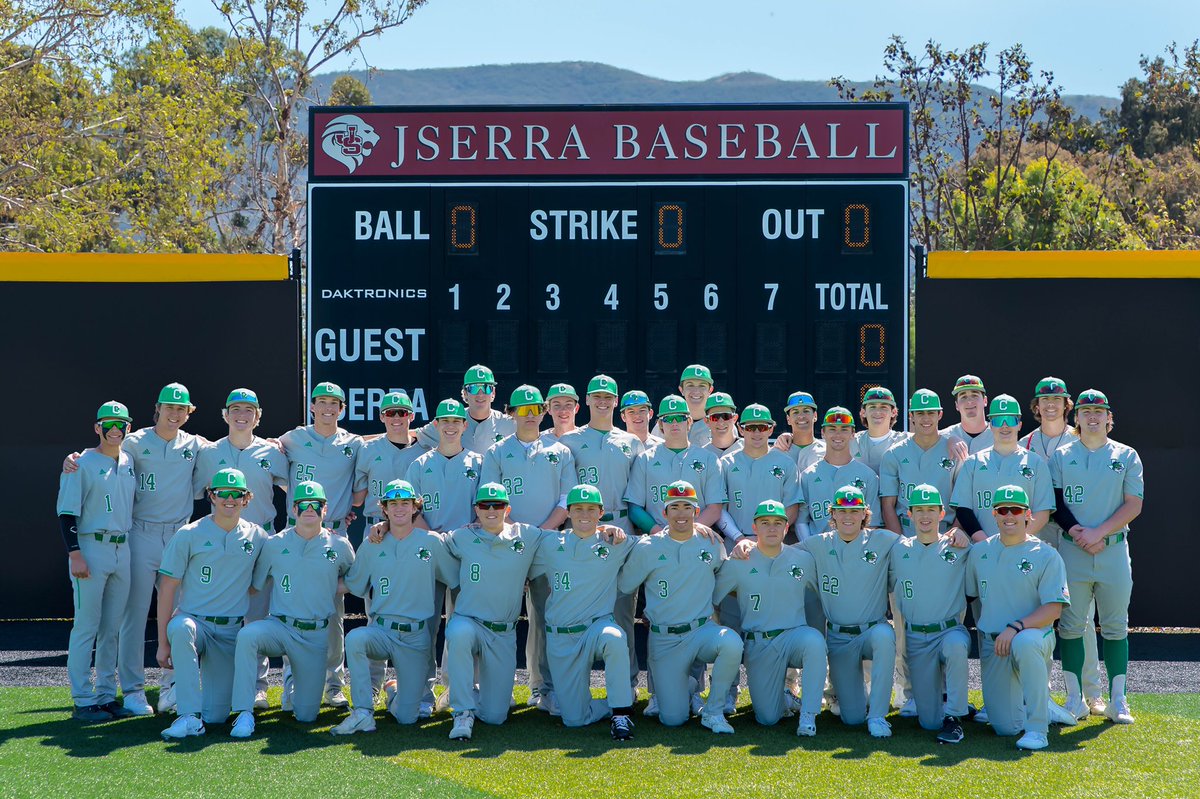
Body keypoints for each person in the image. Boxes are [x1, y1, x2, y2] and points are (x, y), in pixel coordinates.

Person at [228, 481, 355, 738]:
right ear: (293, 510)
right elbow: (255, 585)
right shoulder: (274, 544)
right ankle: (243, 711)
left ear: (325, 509)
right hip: (281, 627)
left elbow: (355, 581)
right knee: (248, 635)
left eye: (315, 505)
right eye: (303, 505)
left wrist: (328, 584)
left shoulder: (339, 545)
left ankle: (298, 688)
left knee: (307, 715)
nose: (309, 509)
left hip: (315, 634)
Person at [332, 480, 457, 734]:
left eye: (405, 503)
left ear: (415, 507)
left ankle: (392, 691)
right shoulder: (372, 543)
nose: (399, 508)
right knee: (356, 639)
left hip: (415, 637)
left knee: (406, 718)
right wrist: (310, 582)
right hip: (382, 631)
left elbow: (456, 579)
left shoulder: (432, 542)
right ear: (385, 509)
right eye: (393, 503)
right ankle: (363, 712)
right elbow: (352, 584)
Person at [617, 481, 743, 734]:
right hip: (665, 638)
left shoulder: (711, 542)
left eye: (687, 507)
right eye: (674, 507)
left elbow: (725, 576)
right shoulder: (648, 547)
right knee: (673, 719)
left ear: (696, 512)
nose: (681, 513)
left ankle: (713, 711)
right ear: (665, 513)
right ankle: (686, 686)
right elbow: (626, 585)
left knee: (731, 643)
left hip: (701, 631)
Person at [480, 384, 576, 713]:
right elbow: (489, 501)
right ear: (511, 413)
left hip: (547, 544)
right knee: (498, 619)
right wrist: (515, 533)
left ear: (544, 412)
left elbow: (567, 500)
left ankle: (543, 687)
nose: (530, 415)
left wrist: (540, 532)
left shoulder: (560, 451)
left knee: (546, 619)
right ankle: (498, 688)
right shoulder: (497, 452)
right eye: (523, 409)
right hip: (505, 544)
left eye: (536, 409)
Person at [1050, 389, 1143, 725]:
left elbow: (1133, 504)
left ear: (1108, 418)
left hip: (1113, 549)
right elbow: (1055, 503)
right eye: (1086, 411)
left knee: (1116, 626)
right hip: (1073, 549)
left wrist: (1098, 533)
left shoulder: (1127, 455)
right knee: (1072, 625)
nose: (1092, 417)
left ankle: (1118, 700)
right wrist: (1080, 533)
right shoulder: (1061, 456)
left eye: (1098, 411)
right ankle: (1075, 700)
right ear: (1076, 417)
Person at [193, 388, 288, 710]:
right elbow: (193, 491)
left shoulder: (272, 451)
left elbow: (292, 489)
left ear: (258, 416)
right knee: (223, 614)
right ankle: (219, 683)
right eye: (235, 409)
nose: (242, 415)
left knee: (256, 618)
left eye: (249, 410)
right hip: (221, 542)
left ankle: (257, 686)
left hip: (261, 540)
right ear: (225, 415)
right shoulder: (209, 452)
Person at [156, 468, 268, 739]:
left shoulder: (257, 536)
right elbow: (167, 588)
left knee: (216, 716)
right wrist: (162, 644)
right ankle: (187, 715)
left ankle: (186, 694)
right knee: (181, 628)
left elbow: (257, 584)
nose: (229, 499)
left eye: (236, 494)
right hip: (194, 621)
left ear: (246, 499)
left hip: (229, 631)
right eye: (223, 493)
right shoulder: (189, 534)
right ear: (212, 496)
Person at [1020, 377, 1104, 718]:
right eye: (1045, 400)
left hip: (1074, 534)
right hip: (1038, 533)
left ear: (1068, 405)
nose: (1051, 404)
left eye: (1057, 399)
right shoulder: (1025, 443)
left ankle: (1091, 693)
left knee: (1080, 614)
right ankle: (1036, 692)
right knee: (1036, 611)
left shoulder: (1082, 437)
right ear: (1036, 406)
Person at [278, 381, 366, 708]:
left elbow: (361, 491)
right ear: (312, 406)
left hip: (334, 532)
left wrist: (341, 512)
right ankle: (292, 682)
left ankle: (333, 684)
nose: (328, 408)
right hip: (296, 532)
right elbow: (277, 470)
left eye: (334, 403)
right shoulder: (292, 438)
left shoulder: (353, 444)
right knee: (291, 610)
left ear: (342, 408)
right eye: (322, 402)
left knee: (333, 614)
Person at [966, 484, 1071, 750]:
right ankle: (1037, 707)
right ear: (994, 515)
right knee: (1005, 728)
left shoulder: (1047, 555)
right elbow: (970, 596)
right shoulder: (979, 552)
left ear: (1028, 515)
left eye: (1016, 510)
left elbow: (1054, 609)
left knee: (1025, 642)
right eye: (1003, 510)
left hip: (1031, 637)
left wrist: (1016, 627)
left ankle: (1038, 728)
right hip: (995, 645)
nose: (1009, 515)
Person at [530, 485, 636, 739]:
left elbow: (660, 543)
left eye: (591, 509)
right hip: (562, 636)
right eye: (578, 509)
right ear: (568, 513)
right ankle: (608, 705)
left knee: (615, 637)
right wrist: (475, 528)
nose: (584, 514)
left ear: (601, 513)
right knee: (574, 720)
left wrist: (698, 529)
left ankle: (621, 714)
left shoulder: (615, 542)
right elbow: (510, 538)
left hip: (596, 628)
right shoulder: (549, 543)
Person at [714, 404, 802, 711]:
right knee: (731, 620)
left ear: (771, 429)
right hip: (736, 550)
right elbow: (720, 506)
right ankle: (727, 692)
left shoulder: (785, 463)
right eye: (750, 427)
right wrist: (740, 538)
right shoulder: (726, 462)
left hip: (774, 552)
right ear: (740, 429)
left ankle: (786, 687)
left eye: (762, 427)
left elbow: (792, 508)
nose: (756, 433)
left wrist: (766, 539)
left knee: (777, 619)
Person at [559, 376, 642, 696]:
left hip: (621, 528)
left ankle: (627, 684)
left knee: (623, 611)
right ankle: (573, 686)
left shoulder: (632, 441)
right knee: (577, 608)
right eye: (597, 396)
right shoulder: (570, 440)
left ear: (616, 401)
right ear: (587, 400)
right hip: (581, 528)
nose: (603, 401)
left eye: (608, 397)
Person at [713, 500, 826, 736]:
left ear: (787, 528)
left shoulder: (803, 559)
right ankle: (783, 697)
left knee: (815, 641)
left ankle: (808, 715)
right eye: (765, 523)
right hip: (760, 642)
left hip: (795, 636)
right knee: (767, 718)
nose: (772, 528)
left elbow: (822, 594)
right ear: (754, 527)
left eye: (778, 523)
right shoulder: (738, 561)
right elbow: (712, 596)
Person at [878, 389, 960, 716]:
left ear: (940, 414)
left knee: (948, 622)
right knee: (904, 623)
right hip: (907, 543)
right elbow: (888, 504)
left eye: (931, 412)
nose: (925, 419)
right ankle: (910, 692)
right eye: (919, 413)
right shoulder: (895, 453)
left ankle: (948, 693)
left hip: (946, 545)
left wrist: (957, 532)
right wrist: (900, 545)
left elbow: (963, 499)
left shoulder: (954, 448)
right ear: (910, 417)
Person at [442, 483, 545, 741]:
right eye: (484, 505)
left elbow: (568, 538)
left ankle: (467, 693)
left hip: (502, 631)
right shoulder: (461, 537)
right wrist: (385, 526)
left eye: (497, 505)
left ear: (507, 509)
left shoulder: (527, 535)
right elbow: (425, 542)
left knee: (495, 716)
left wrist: (602, 529)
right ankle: (462, 711)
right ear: (476, 509)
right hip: (470, 621)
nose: (491, 510)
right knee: (458, 632)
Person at [795, 485, 899, 737]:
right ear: (832, 513)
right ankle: (859, 696)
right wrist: (747, 545)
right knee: (852, 718)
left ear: (865, 513)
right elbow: (780, 552)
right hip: (839, 637)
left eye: (854, 511)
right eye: (842, 511)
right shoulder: (818, 543)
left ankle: (878, 716)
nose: (848, 517)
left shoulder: (883, 539)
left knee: (885, 636)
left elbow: (918, 545)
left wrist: (954, 535)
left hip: (872, 629)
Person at [57, 400, 137, 721]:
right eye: (108, 425)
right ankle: (82, 698)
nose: (114, 430)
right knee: (86, 625)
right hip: (91, 546)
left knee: (112, 628)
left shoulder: (129, 460)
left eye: (120, 425)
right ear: (97, 428)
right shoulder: (81, 462)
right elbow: (66, 512)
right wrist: (75, 553)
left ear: (128, 428)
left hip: (122, 547)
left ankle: (105, 695)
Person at [406, 398, 484, 714]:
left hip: (466, 552)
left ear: (465, 425)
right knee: (425, 625)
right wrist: (434, 538)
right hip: (428, 551)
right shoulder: (420, 464)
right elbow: (410, 510)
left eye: (456, 421)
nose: (450, 426)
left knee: (463, 625)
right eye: (445, 421)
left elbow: (485, 509)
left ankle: (459, 690)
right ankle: (423, 693)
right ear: (436, 425)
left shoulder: (479, 463)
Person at [888, 485, 970, 744]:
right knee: (929, 722)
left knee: (956, 646)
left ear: (942, 513)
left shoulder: (958, 547)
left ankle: (955, 715)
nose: (925, 515)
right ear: (909, 514)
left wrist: (961, 533)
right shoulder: (898, 550)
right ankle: (943, 708)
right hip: (916, 637)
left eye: (931, 510)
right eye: (919, 510)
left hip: (949, 630)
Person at [624, 395, 726, 535]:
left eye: (680, 418)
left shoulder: (709, 459)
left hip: (697, 536)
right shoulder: (645, 459)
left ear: (689, 422)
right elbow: (634, 508)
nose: (674, 423)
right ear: (660, 424)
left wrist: (690, 533)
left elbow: (715, 508)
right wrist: (660, 534)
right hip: (657, 537)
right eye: (668, 419)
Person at [417, 364, 516, 454]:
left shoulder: (509, 423)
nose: (480, 394)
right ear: (465, 393)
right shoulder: (452, 420)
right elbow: (417, 435)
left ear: (493, 393)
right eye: (474, 388)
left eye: (486, 388)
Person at [650, 365, 716, 446]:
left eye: (702, 386)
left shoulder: (719, 422)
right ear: (681, 390)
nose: (696, 391)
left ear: (710, 390)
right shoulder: (667, 421)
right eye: (690, 385)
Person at [851, 387, 907, 475]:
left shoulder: (905, 441)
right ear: (863, 412)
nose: (877, 412)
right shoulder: (852, 442)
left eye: (883, 407)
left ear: (893, 412)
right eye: (872, 407)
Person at [773, 391, 826, 473]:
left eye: (806, 411)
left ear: (815, 416)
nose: (801, 416)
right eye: (795, 412)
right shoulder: (777, 452)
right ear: (788, 419)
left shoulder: (827, 452)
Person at [941, 375, 994, 455]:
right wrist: (947, 440)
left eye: (974, 395)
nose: (969, 401)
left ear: (985, 401)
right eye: (963, 397)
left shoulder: (999, 434)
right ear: (956, 405)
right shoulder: (944, 436)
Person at [701, 392, 742, 458]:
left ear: (734, 418)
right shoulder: (701, 455)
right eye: (715, 417)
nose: (721, 422)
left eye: (726, 416)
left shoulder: (748, 448)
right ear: (706, 421)